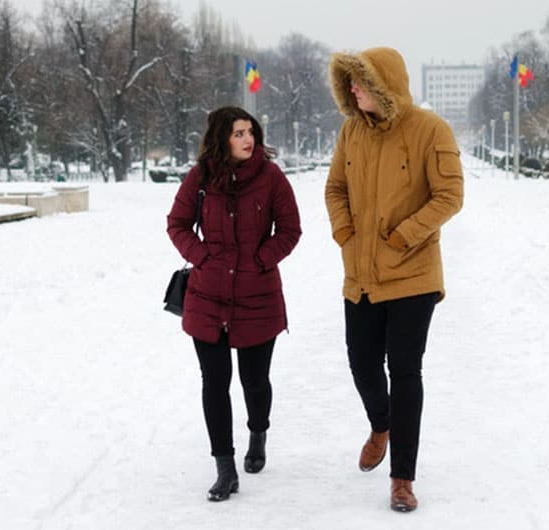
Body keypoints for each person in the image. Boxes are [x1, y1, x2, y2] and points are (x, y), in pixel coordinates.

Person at [325, 47, 464, 513]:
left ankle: (402, 477)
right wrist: (344, 231)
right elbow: (335, 188)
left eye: (360, 81)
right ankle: (379, 425)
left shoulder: (430, 130)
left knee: (404, 371)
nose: (353, 89)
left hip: (412, 274)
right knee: (362, 363)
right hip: (360, 273)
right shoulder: (350, 131)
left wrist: (405, 236)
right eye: (349, 83)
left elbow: (449, 195)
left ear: (383, 85)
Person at [167, 106, 301, 502]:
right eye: (239, 133)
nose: (248, 140)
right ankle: (224, 468)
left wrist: (260, 260)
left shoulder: (271, 177)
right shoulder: (201, 177)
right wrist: (203, 256)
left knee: (255, 383)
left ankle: (257, 433)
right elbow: (176, 223)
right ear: (221, 137)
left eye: (251, 132)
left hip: (258, 297)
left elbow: (291, 229)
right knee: (214, 383)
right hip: (208, 298)